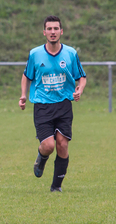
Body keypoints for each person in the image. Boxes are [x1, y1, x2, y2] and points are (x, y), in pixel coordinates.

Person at [19, 15, 86, 192]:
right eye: (49, 29)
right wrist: (23, 96)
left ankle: (56, 187)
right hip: (42, 106)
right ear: (44, 32)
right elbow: (26, 76)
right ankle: (41, 158)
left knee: (62, 144)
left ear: (61, 31)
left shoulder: (70, 53)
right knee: (48, 145)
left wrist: (79, 90)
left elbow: (82, 77)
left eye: (56, 28)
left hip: (64, 105)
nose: (53, 32)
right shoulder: (35, 54)